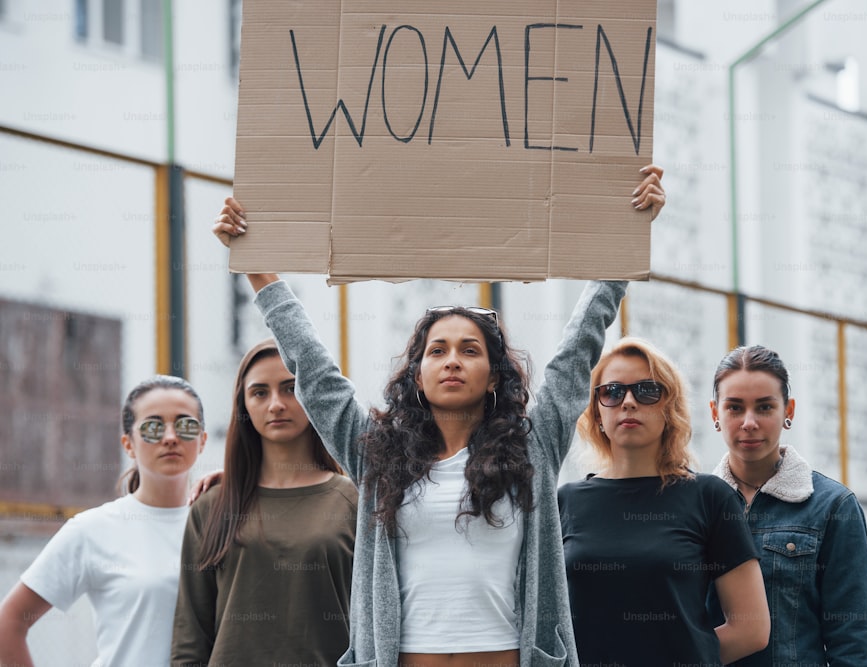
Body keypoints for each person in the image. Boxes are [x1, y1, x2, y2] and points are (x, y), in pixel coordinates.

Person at [209, 165, 664, 667]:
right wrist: (257, 269)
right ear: (418, 374)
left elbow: (580, 346)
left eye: (469, 350)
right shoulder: (375, 452)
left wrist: (626, 236)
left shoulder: (533, 446)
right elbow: (313, 369)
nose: (452, 360)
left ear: (494, 376)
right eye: (437, 351)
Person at [559, 337, 770, 666]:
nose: (628, 402)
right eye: (612, 392)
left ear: (669, 408)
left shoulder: (709, 496)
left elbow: (752, 629)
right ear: (597, 412)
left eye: (646, 391)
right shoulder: (564, 502)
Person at [171, 339, 358, 666]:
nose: (276, 404)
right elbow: (191, 635)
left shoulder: (355, 501)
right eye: (260, 392)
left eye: (290, 389)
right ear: (243, 405)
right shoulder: (212, 504)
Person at [0, 375, 207, 667]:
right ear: (129, 444)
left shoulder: (225, 522)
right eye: (152, 427)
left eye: (186, 425)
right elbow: (9, 622)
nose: (170, 437)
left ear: (203, 441)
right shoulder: (94, 529)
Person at [706, 344, 867, 666]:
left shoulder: (834, 508)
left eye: (765, 407)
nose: (749, 422)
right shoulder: (693, 505)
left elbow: (851, 645)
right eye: (735, 408)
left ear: (789, 411)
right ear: (715, 413)